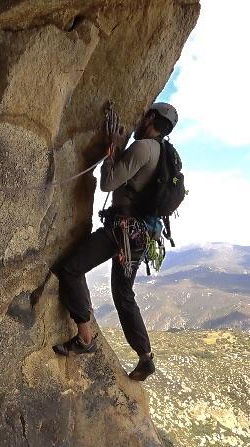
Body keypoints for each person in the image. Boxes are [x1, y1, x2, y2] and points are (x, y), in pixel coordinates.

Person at [48, 101, 178, 381]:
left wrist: (111, 152)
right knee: (123, 294)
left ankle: (85, 338)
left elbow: (108, 183)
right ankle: (145, 356)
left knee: (71, 269)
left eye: (144, 117)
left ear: (151, 118)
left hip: (122, 231)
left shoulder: (143, 148)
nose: (140, 120)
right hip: (141, 235)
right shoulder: (162, 153)